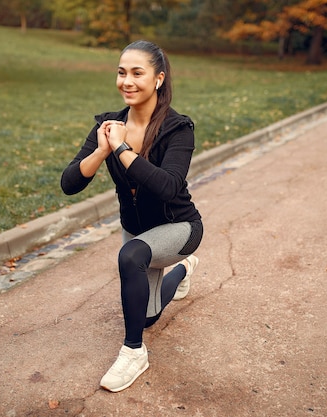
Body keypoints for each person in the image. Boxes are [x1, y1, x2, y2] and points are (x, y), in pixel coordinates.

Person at [60, 40, 203, 393]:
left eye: (137, 73)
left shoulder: (177, 129)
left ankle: (134, 352)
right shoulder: (108, 126)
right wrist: (102, 149)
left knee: (131, 255)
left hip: (178, 228)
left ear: (158, 79)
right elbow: (69, 183)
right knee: (149, 315)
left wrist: (123, 150)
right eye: (121, 72)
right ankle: (185, 271)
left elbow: (168, 187)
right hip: (137, 231)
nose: (127, 81)